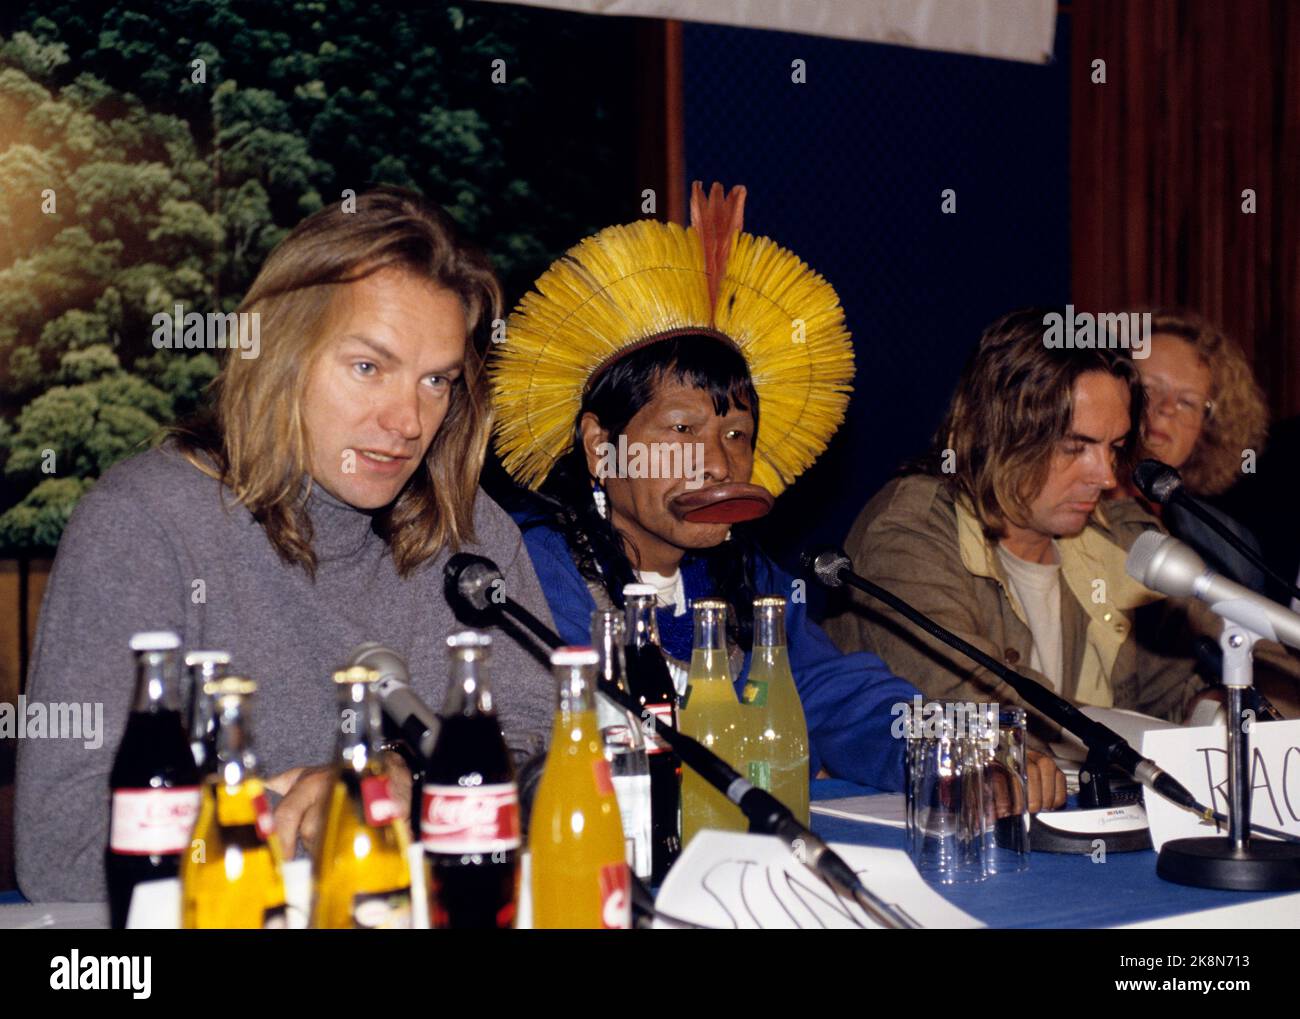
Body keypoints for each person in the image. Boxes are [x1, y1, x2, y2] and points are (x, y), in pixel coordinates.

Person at [16, 187, 556, 903]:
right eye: (369, 367)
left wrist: (411, 776)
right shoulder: (145, 524)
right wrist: (301, 825)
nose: (406, 420)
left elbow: (551, 762)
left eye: (437, 381)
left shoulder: (471, 533)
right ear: (280, 352)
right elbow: (65, 847)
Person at [488, 183, 1064, 806]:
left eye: (737, 434)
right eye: (682, 429)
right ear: (602, 447)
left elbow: (838, 693)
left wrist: (953, 752)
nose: (717, 462)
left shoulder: (747, 575)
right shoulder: (531, 572)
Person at [823, 308, 1209, 751]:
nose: (1106, 477)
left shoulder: (1112, 538)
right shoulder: (908, 532)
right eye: (1074, 447)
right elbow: (971, 705)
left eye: (1115, 448)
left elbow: (1175, 681)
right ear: (999, 433)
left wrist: (1212, 704)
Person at [1116, 309, 1270, 592]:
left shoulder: (1230, 546)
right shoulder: (1065, 514)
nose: (1165, 408)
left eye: (1187, 402)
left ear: (1207, 428)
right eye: (1148, 388)